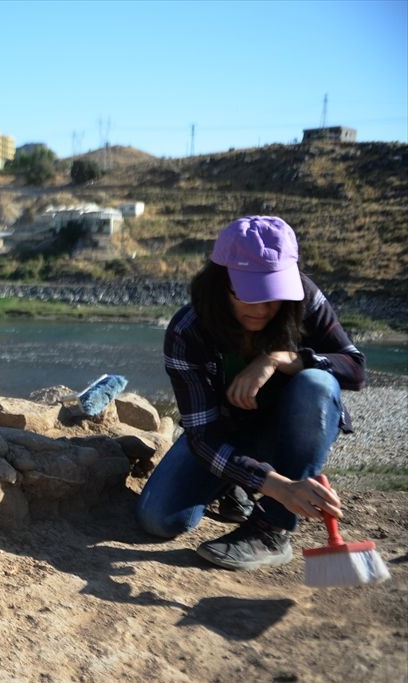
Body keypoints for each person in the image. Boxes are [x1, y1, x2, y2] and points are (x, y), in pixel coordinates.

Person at [137, 216, 365, 570]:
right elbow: (202, 436)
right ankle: (236, 485)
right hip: (225, 434)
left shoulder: (304, 299)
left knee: (317, 383)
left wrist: (279, 358)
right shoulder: (188, 331)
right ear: (218, 283)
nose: (262, 309)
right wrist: (279, 485)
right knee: (159, 519)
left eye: (272, 294)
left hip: (289, 431)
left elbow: (354, 367)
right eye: (247, 293)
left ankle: (272, 528)